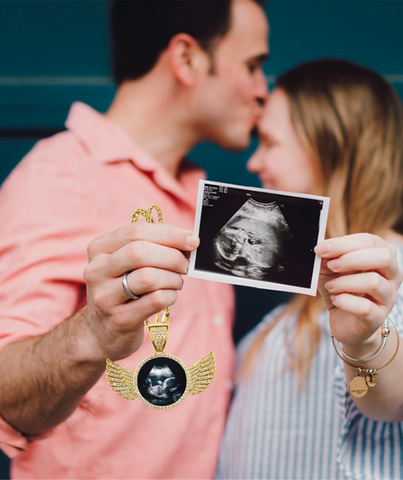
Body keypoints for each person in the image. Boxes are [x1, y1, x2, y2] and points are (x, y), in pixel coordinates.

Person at [0, 1, 269, 478]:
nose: (262, 90)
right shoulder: (59, 177)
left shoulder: (201, 195)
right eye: (253, 65)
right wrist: (94, 331)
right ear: (186, 59)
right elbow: (8, 399)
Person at [216, 59, 403, 479]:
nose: (255, 163)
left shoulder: (392, 271)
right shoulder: (309, 296)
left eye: (271, 143)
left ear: (333, 150)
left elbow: (394, 400)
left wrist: (365, 342)